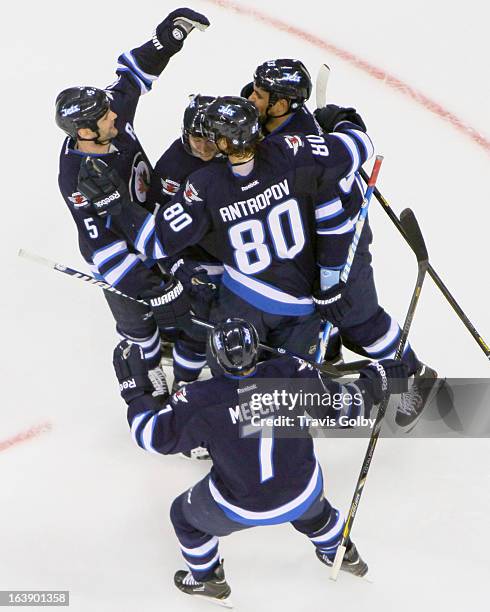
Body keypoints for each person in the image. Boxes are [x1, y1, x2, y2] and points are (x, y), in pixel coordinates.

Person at [113, 318, 408, 603]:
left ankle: (207, 580)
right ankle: (341, 553)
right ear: (255, 349)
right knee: (314, 512)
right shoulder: (291, 372)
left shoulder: (201, 400)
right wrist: (376, 382)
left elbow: (150, 436)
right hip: (303, 492)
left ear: (215, 358)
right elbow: (345, 413)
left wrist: (136, 392)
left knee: (184, 517)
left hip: (241, 506)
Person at [77, 96, 374, 371]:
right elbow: (360, 147)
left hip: (245, 296)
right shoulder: (290, 151)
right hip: (301, 297)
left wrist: (117, 205)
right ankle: (307, 401)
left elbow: (154, 242)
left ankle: (225, 410)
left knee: (231, 379)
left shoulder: (206, 185)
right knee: (293, 380)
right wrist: (342, 121)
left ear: (221, 142)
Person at [244, 59, 439, 428]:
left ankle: (415, 376)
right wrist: (343, 120)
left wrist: (348, 123)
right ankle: (329, 347)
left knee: (360, 319)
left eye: (259, 94)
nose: (250, 97)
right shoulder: (272, 121)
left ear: (282, 105)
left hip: (341, 241)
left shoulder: (307, 150)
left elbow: (347, 156)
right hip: (303, 244)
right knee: (317, 310)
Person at [55, 8, 210, 397]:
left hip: (148, 222)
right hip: (119, 249)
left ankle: (171, 339)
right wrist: (150, 284)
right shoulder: (76, 177)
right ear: (86, 132)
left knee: (182, 303)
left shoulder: (105, 119)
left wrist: (168, 37)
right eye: (106, 117)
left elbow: (133, 74)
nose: (115, 114)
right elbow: (103, 245)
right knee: (138, 321)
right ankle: (146, 359)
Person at [149, 95, 223, 391]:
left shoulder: (234, 148)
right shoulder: (173, 168)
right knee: (198, 323)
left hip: (231, 251)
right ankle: (184, 382)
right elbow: (157, 229)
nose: (204, 148)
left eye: (210, 140)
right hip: (194, 258)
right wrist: (177, 265)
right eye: (196, 139)